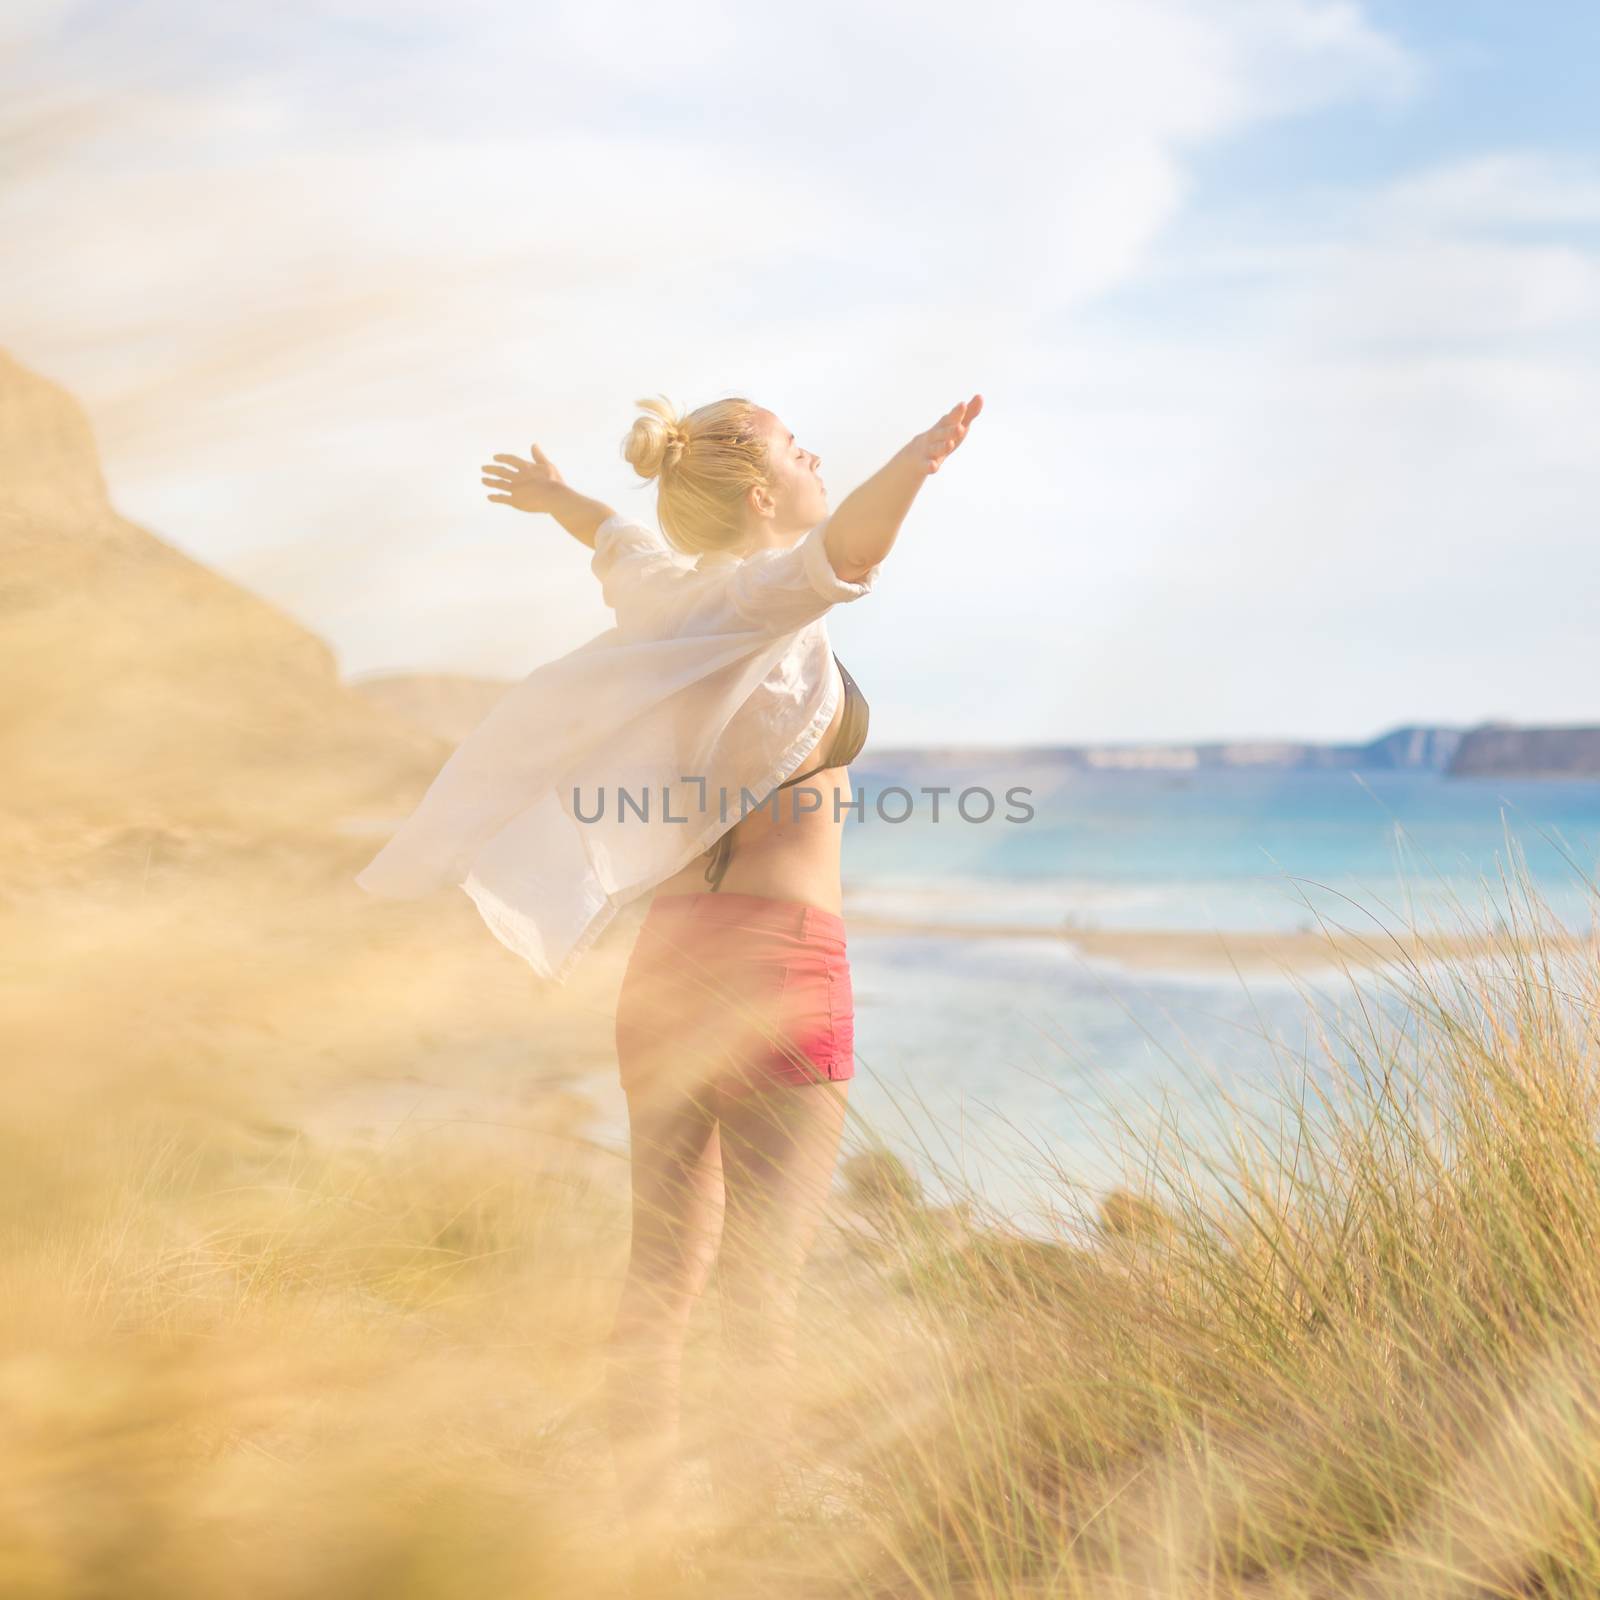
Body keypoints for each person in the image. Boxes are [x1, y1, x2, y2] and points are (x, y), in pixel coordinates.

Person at [375, 389, 980, 1566]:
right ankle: (749, 1552)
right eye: (801, 451)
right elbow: (847, 548)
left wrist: (562, 501)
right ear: (762, 498)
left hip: (671, 961)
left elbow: (621, 546)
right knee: (762, 1289)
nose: (817, 456)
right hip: (777, 963)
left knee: (660, 1272)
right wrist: (914, 460)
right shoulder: (766, 599)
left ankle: (639, 1529)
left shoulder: (675, 604)